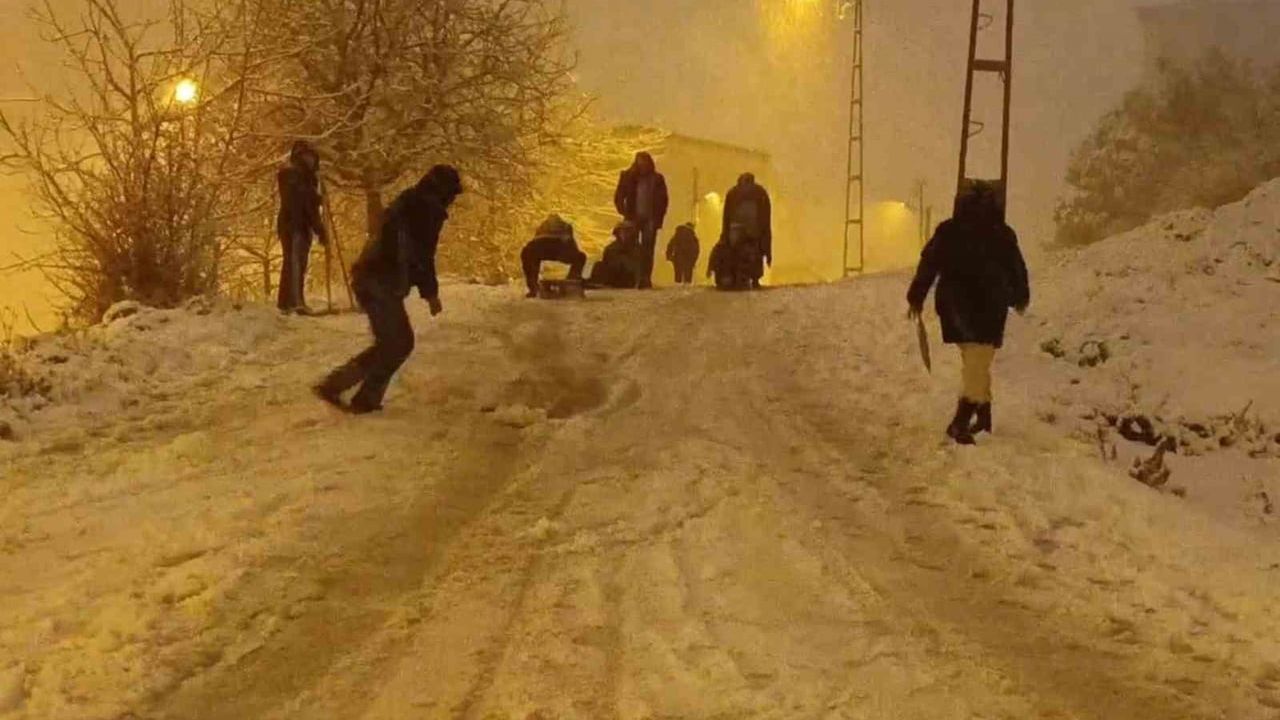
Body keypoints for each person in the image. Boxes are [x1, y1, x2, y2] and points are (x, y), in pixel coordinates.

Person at [313, 165, 463, 414]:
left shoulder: (410, 202)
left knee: (391, 343)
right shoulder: (425, 210)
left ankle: (343, 388)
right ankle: (349, 392)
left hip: (371, 276)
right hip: (379, 279)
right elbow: (422, 255)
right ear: (443, 191)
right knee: (398, 343)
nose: (452, 201)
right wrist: (431, 294)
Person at [906, 180, 1030, 445]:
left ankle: (983, 418)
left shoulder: (950, 230)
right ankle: (960, 423)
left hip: (955, 308)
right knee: (978, 362)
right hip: (989, 309)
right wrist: (1020, 295)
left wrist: (917, 295)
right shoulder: (1002, 233)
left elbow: (929, 263)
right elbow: (1016, 267)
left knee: (975, 362)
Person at [276, 140, 328, 313]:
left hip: (297, 224)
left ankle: (288, 302)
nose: (311, 160)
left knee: (296, 262)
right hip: (294, 224)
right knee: (295, 262)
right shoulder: (294, 175)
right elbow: (305, 204)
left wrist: (317, 198)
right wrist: (319, 229)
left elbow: (308, 202)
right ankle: (294, 302)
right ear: (299, 157)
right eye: (307, 156)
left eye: (312, 157)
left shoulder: (304, 177)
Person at [613, 152, 669, 289]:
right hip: (633, 217)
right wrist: (623, 210)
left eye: (644, 162)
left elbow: (663, 200)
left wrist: (658, 217)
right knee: (632, 248)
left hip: (650, 218)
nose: (642, 165)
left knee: (647, 249)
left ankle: (645, 278)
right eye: (640, 162)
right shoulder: (628, 177)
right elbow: (619, 195)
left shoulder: (657, 179)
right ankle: (632, 277)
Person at [720, 172, 773, 290]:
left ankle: (738, 278)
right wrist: (766, 240)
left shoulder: (732, 193)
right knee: (756, 254)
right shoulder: (760, 192)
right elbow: (766, 215)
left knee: (735, 253)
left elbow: (726, 216)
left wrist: (725, 234)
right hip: (755, 230)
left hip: (735, 230)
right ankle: (754, 279)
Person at [521, 215, 587, 298]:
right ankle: (571, 282)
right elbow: (575, 250)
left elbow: (528, 252)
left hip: (544, 248)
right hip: (557, 247)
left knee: (528, 253)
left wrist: (532, 283)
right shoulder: (564, 228)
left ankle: (533, 287)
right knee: (580, 257)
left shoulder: (543, 229)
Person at [587, 221, 643, 289]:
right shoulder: (611, 248)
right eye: (622, 232)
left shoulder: (637, 249)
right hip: (612, 277)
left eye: (627, 232)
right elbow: (606, 263)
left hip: (626, 279)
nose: (624, 234)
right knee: (598, 265)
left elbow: (637, 268)